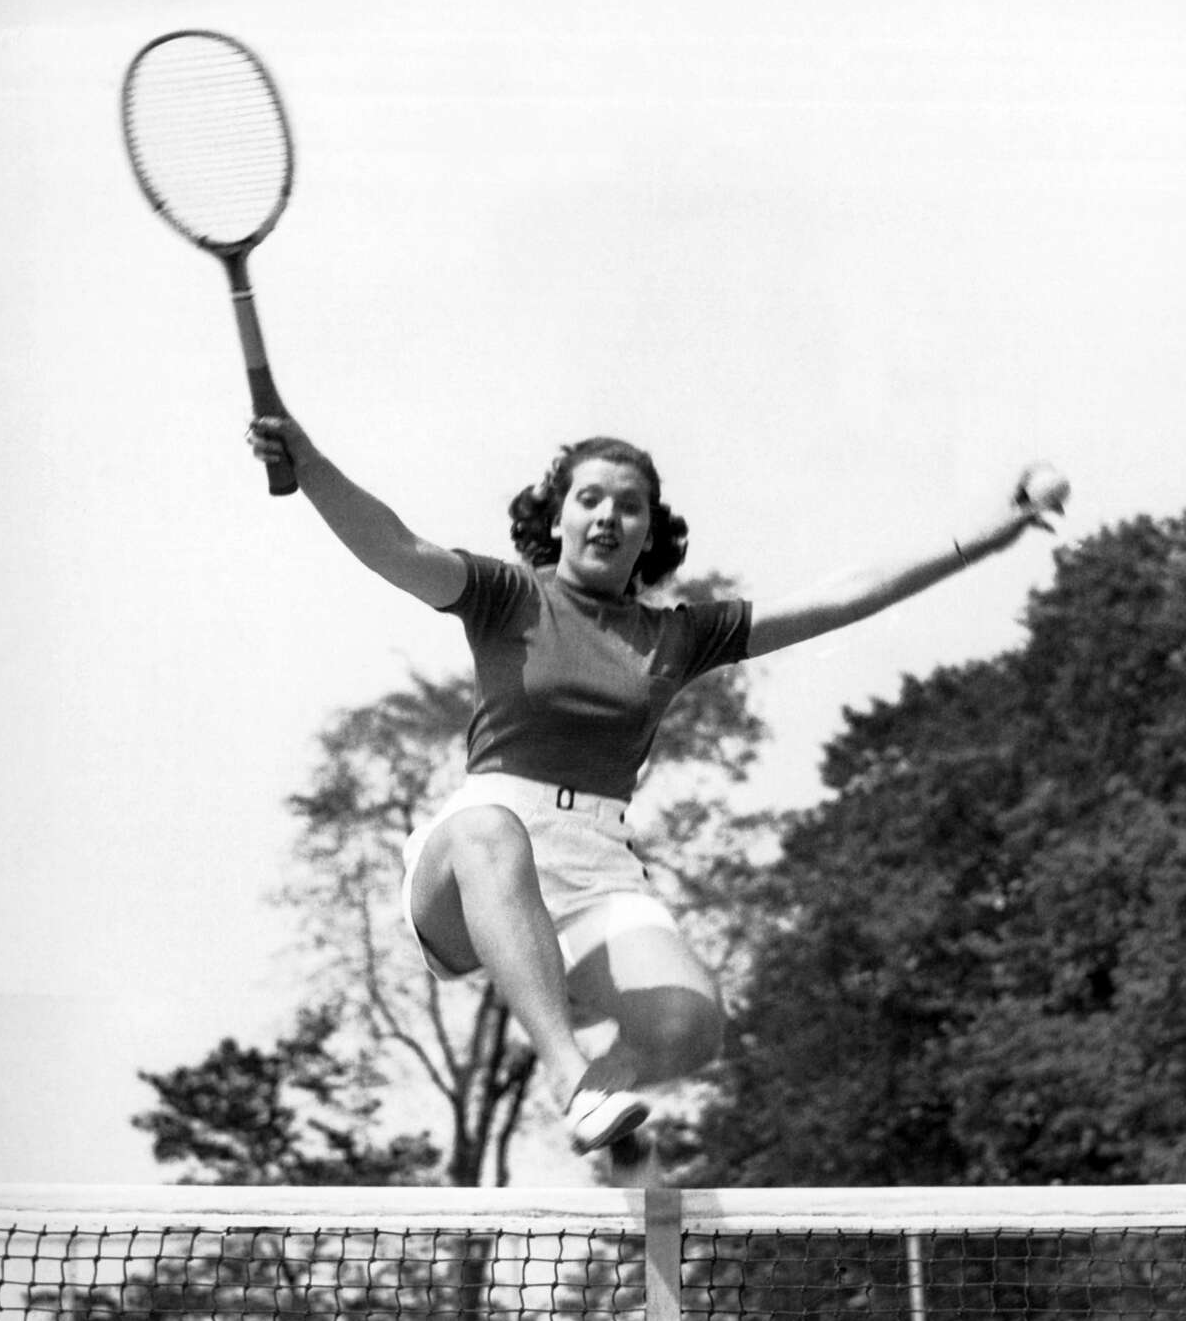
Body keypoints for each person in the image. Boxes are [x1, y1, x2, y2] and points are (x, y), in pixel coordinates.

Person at [247, 416, 1068, 1166]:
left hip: (597, 860)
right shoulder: (506, 597)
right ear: (557, 516)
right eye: (590, 499)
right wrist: (310, 463)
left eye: (629, 506)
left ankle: (607, 1126)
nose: (608, 516)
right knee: (488, 829)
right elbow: (391, 544)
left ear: (650, 532)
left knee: (689, 1026)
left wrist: (994, 535)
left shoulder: (677, 634)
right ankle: (575, 1079)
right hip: (478, 859)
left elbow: (842, 594)